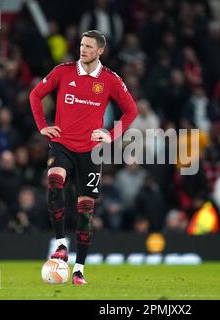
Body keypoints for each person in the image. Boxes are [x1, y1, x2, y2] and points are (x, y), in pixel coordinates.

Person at [29, 30, 138, 285]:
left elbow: (131, 110)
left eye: (89, 46)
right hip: (62, 144)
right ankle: (60, 244)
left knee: (86, 212)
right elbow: (35, 95)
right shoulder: (63, 72)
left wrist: (112, 135)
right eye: (81, 45)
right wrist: (42, 126)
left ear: (100, 50)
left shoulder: (110, 80)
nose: (83, 49)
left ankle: (79, 268)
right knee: (54, 183)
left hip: (90, 150)